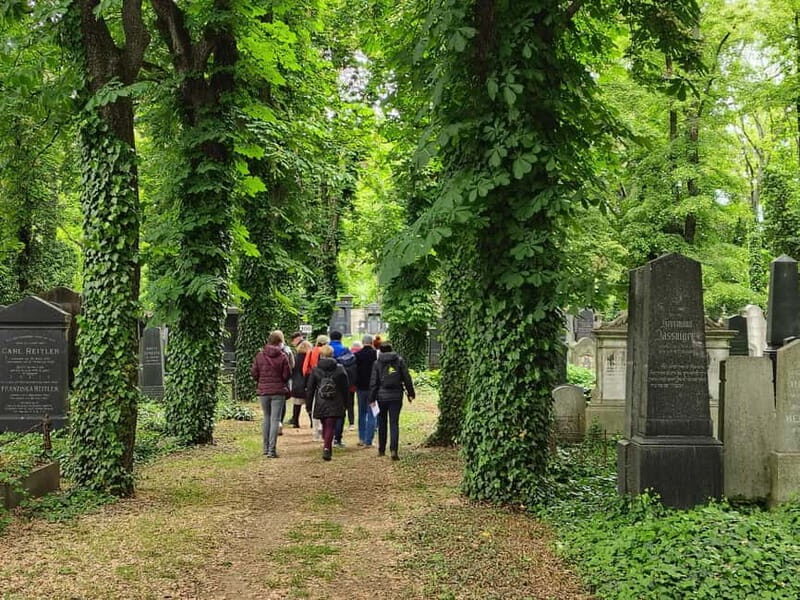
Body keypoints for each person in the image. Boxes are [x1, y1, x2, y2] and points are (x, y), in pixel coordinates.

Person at [369, 342, 415, 460]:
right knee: (394, 423)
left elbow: (374, 382)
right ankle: (394, 450)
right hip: (396, 395)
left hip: (381, 396)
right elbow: (406, 377)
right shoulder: (399, 361)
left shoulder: (377, 363)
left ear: (381, 350)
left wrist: (372, 398)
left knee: (382, 422)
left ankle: (381, 449)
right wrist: (411, 393)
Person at [251, 330, 291, 458]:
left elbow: (254, 373)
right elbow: (287, 375)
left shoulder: (259, 356)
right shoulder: (283, 356)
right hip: (278, 391)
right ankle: (272, 450)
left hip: (263, 391)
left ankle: (265, 448)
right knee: (275, 420)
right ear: (280, 342)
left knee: (266, 418)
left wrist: (261, 381)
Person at [306, 345, 348, 461]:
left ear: (321, 355)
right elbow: (345, 388)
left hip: (321, 401)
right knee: (330, 424)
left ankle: (326, 446)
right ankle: (327, 446)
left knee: (326, 423)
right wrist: (346, 403)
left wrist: (309, 405)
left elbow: (310, 389)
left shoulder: (315, 369)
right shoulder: (340, 369)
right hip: (335, 400)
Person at [329, 330, 357, 444]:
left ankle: (328, 435)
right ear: (341, 338)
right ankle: (339, 435)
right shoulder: (345, 350)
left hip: (328, 384)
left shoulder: (326, 350)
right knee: (343, 408)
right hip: (343, 383)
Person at [355, 334, 378, 447]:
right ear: (372, 342)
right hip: (373, 389)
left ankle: (361, 438)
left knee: (361, 413)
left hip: (360, 388)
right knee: (372, 413)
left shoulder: (357, 355)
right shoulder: (376, 354)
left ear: (363, 342)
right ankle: (369, 440)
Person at [290, 340, 313, 427]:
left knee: (297, 405)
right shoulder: (309, 358)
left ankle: (295, 422)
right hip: (308, 384)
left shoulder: (295, 358)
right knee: (309, 405)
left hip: (297, 385)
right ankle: (312, 422)